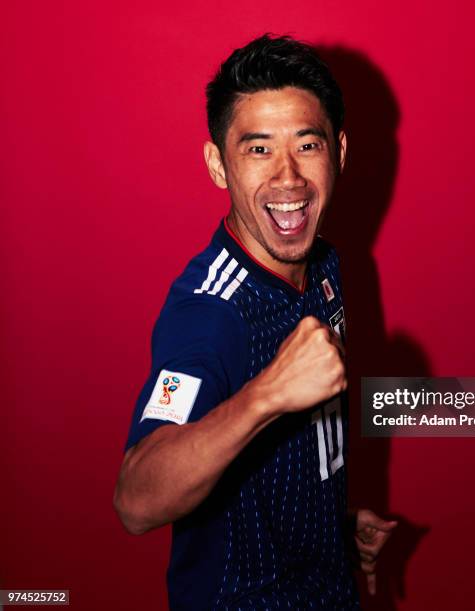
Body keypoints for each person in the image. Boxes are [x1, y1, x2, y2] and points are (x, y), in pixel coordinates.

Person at [113, 34, 396, 610]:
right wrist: (267, 393)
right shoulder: (212, 312)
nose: (288, 178)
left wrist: (329, 529)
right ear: (219, 164)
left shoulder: (325, 262)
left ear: (339, 151)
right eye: (258, 149)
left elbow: (268, 457)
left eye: (307, 145)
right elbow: (136, 499)